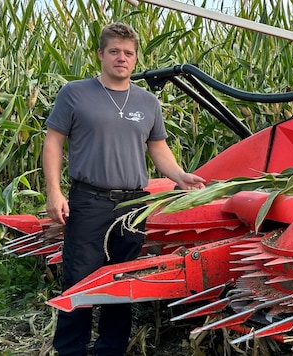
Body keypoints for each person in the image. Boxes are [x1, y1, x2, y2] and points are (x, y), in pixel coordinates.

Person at [43, 22, 206, 355]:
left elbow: (158, 148)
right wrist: (54, 192)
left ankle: (110, 349)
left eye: (128, 53)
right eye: (114, 51)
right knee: (79, 279)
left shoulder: (147, 102)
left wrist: (180, 176)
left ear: (135, 59)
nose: (122, 58)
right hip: (89, 200)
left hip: (133, 206)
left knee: (122, 282)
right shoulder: (75, 93)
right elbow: (53, 142)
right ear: (100, 54)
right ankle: (70, 349)